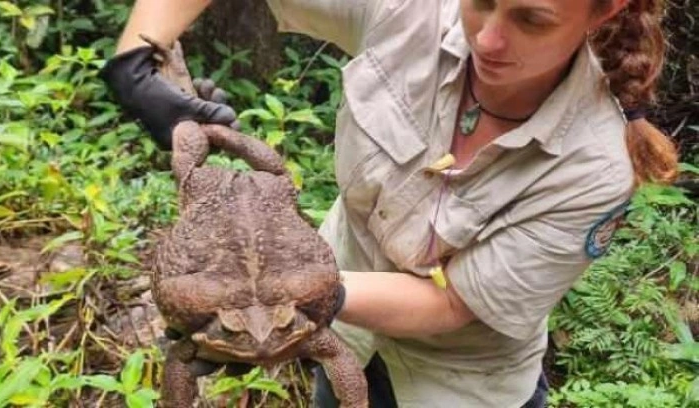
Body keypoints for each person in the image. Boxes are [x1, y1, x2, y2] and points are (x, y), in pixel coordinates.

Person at [100, 0, 679, 406]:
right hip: (344, 340)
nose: (488, 38)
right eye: (481, 1)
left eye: (532, 19)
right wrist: (135, 66)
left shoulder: (594, 166)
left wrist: (297, 296)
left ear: (605, 11)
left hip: (457, 386)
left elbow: (455, 305)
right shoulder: (413, 11)